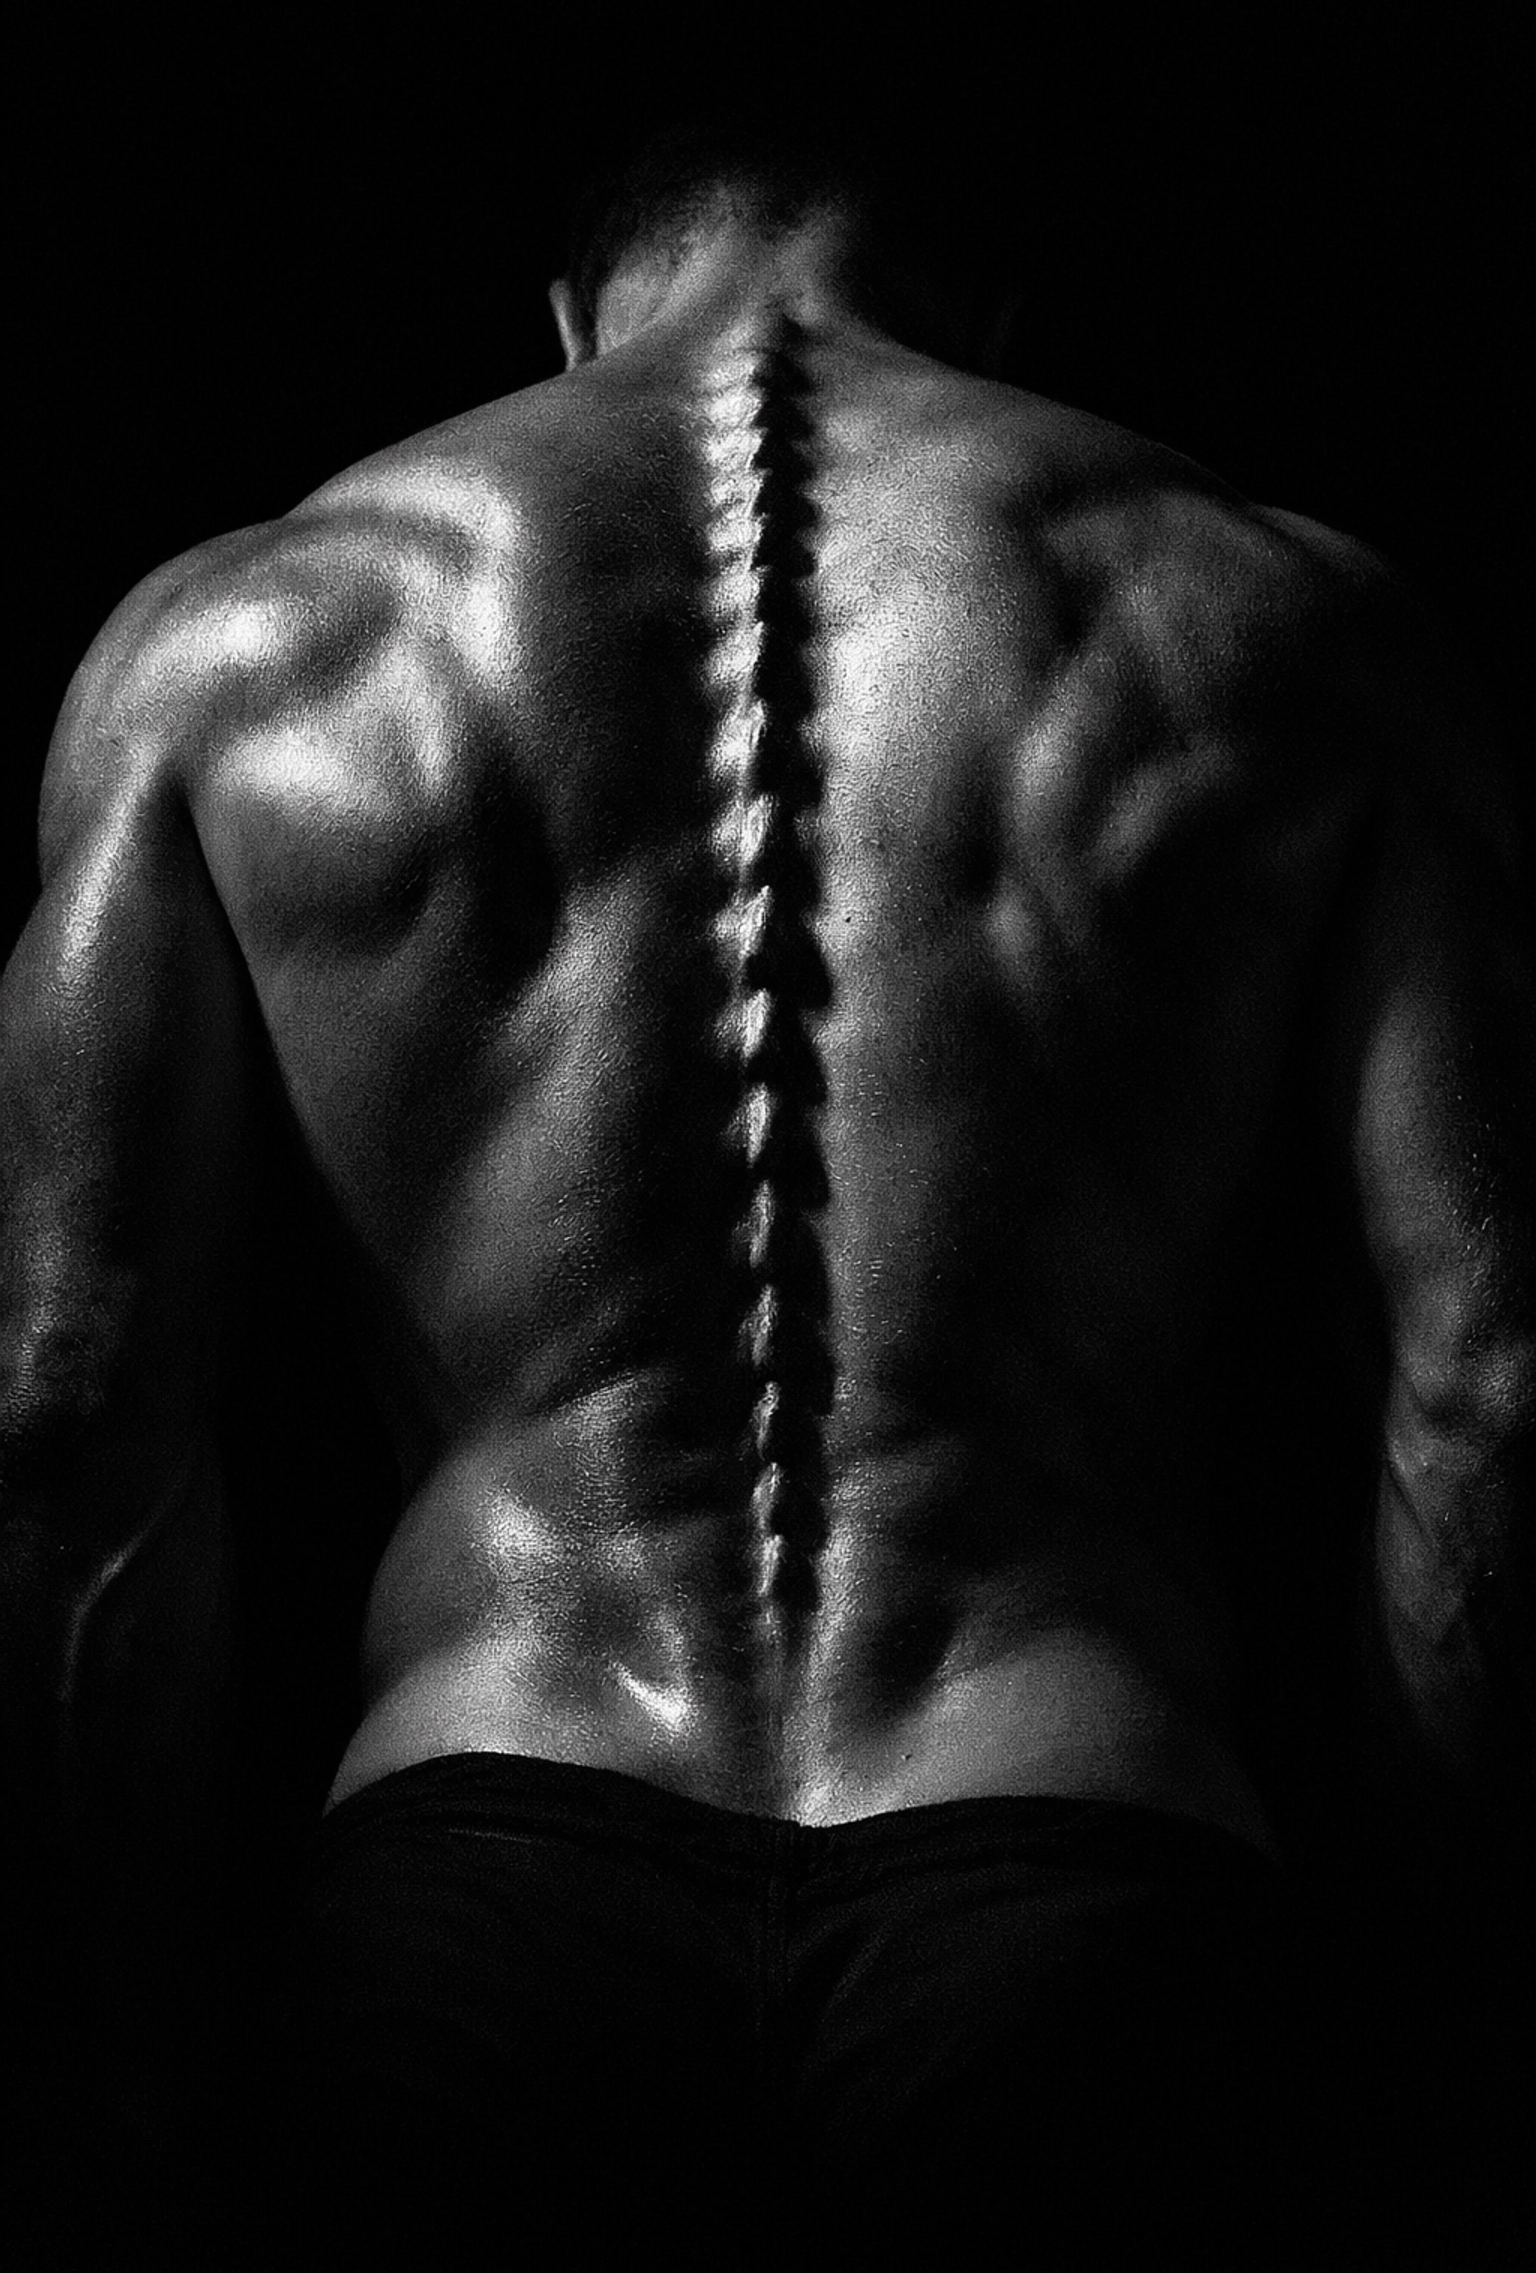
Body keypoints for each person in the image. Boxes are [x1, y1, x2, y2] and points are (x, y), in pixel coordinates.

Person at [2, 117, 1531, 2266]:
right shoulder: (1279, 626)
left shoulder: (242, 647)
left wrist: (129, 2065)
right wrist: (1439, 2024)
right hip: (1076, 1866)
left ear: (570, 308)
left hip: (476, 1889)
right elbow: (1488, 1383)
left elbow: (71, 1406)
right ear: (990, 311)